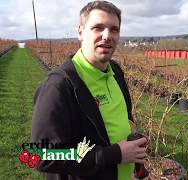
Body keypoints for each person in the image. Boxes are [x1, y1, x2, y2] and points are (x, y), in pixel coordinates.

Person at [31, 1, 147, 179]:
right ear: (80, 32)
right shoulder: (59, 86)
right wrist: (114, 154)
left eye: (114, 29)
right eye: (98, 28)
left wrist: (132, 166)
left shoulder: (115, 71)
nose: (107, 36)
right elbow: (42, 155)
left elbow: (123, 121)